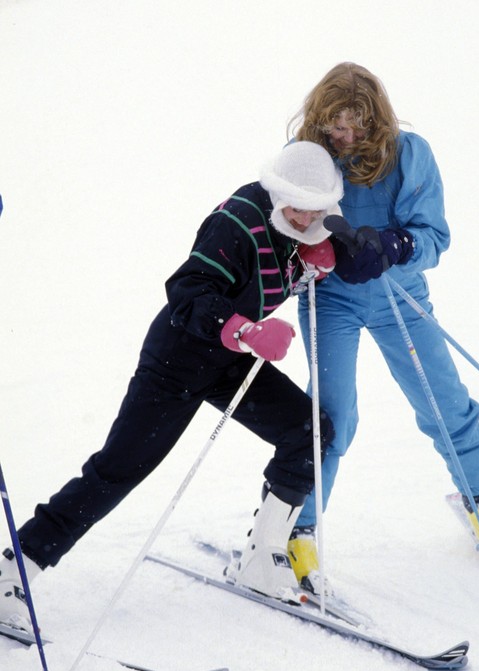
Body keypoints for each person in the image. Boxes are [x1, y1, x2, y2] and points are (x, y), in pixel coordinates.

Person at [0, 141, 344, 632]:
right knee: (117, 470)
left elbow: (331, 247)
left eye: (317, 209)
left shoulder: (311, 222)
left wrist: (346, 252)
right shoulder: (238, 222)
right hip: (178, 359)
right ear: (276, 190)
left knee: (307, 430)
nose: (307, 217)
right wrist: (246, 328)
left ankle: (260, 559)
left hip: (231, 364)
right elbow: (187, 291)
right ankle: (14, 568)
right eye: (297, 206)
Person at [285, 63, 479, 589]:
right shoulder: (310, 159)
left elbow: (432, 234)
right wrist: (317, 253)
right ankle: (298, 526)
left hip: (400, 297)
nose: (346, 136)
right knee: (331, 416)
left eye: (356, 125)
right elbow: (286, 225)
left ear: (376, 120)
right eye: (335, 126)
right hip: (333, 302)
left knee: (443, 400)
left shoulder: (410, 154)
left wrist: (395, 246)